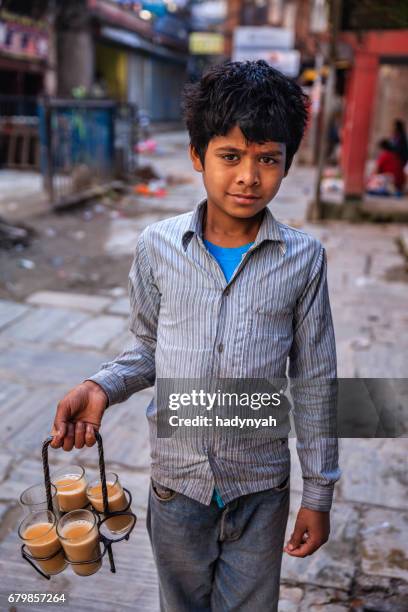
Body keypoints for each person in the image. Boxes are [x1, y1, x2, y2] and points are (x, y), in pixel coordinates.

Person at [50, 60, 340, 611]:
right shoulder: (157, 246)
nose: (248, 177)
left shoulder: (305, 259)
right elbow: (148, 348)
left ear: (287, 164)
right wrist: (102, 386)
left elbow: (315, 380)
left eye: (267, 160)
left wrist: (318, 494)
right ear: (196, 156)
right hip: (175, 484)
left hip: (260, 487)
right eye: (230, 156)